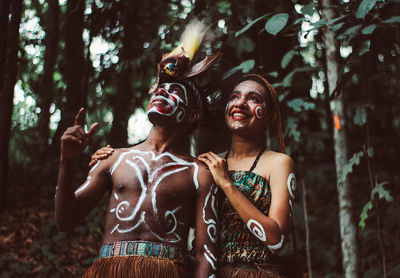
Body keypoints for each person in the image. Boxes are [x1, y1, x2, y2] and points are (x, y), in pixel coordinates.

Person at [55, 19, 221, 278]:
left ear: (192, 114)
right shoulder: (114, 159)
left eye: (174, 91)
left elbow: (205, 254)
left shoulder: (197, 172)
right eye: (159, 89)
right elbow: (65, 220)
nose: (161, 93)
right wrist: (67, 162)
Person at [91, 73, 296, 278]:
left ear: (270, 117)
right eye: (234, 97)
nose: (240, 103)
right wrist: (109, 160)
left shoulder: (278, 163)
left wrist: (227, 185)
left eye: (253, 98)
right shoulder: (203, 165)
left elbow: (276, 241)